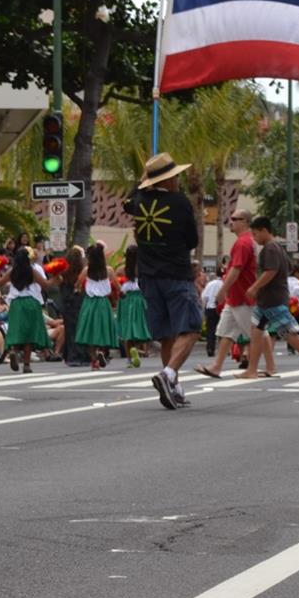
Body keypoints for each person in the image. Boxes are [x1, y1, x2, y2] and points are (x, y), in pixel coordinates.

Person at [123, 153, 203, 410]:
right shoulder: (179, 203)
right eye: (175, 176)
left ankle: (175, 388)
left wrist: (143, 181)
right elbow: (192, 240)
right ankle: (168, 374)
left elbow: (127, 201)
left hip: (148, 276)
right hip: (176, 273)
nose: (178, 180)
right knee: (191, 328)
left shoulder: (139, 201)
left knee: (167, 334)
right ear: (167, 180)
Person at [240, 217, 299, 380]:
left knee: (288, 333)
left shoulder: (270, 248)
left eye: (255, 234)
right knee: (256, 331)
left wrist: (255, 287)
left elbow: (271, 270)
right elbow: (287, 268)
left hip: (272, 300)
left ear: (264, 230)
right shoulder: (277, 248)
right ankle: (252, 369)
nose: (254, 239)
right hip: (267, 300)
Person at [198, 210, 257, 379]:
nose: (230, 222)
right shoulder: (243, 242)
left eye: (235, 219)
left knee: (258, 334)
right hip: (236, 298)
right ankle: (217, 366)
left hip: (243, 298)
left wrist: (222, 291)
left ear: (245, 222)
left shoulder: (243, 243)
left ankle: (266, 366)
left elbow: (236, 270)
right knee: (225, 332)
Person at [2, 248, 55, 371]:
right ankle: (26, 365)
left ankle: (13, 351)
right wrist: (56, 278)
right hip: (31, 303)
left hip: (16, 304)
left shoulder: (12, 272)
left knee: (16, 330)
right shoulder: (32, 271)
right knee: (29, 334)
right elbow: (46, 285)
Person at [74, 241, 120, 370]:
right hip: (104, 303)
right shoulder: (109, 270)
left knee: (90, 331)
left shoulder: (86, 270)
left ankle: (94, 361)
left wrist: (78, 290)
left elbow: (77, 285)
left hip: (90, 303)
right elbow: (118, 287)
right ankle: (102, 352)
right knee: (104, 329)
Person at [116, 248, 153, 367]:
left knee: (128, 330)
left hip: (126, 299)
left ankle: (129, 359)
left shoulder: (122, 270)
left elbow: (117, 284)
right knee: (142, 326)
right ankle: (136, 348)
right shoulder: (143, 268)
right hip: (139, 297)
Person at [201, 264, 225, 358]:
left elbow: (204, 297)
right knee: (223, 329)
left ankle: (210, 348)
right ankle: (224, 349)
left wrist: (204, 308)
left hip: (210, 308)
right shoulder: (225, 283)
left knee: (211, 329)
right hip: (222, 308)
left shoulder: (210, 284)